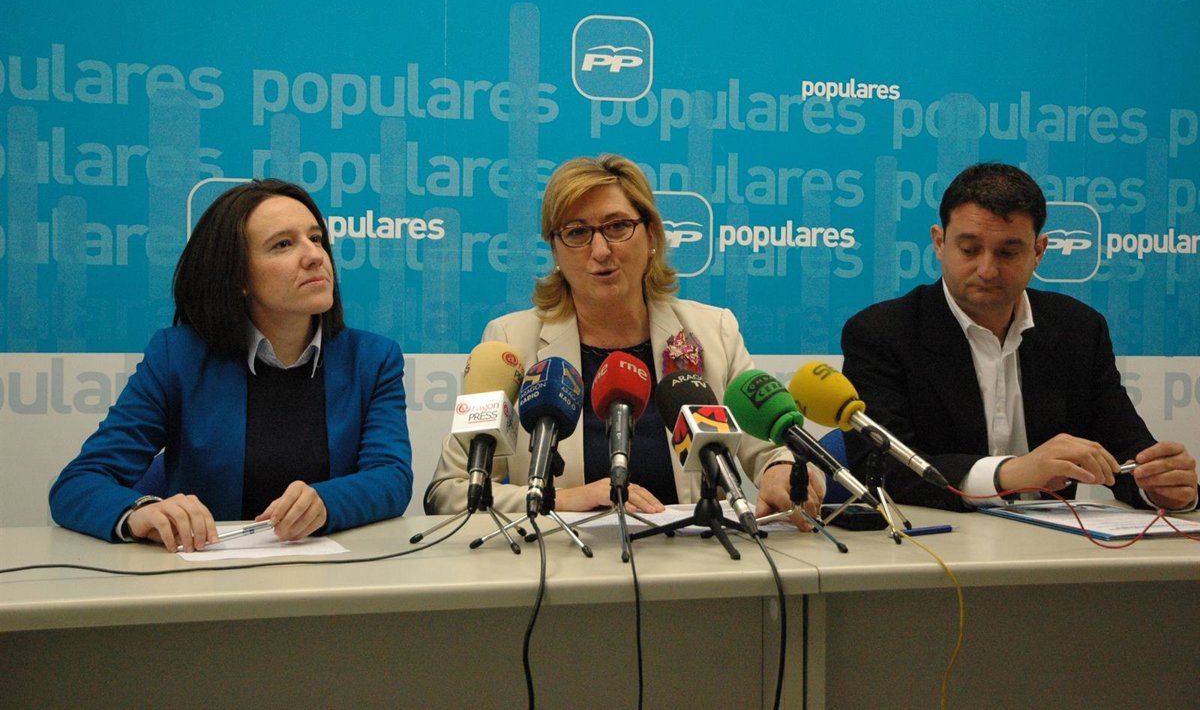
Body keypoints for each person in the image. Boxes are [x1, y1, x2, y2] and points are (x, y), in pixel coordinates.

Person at [424, 154, 824, 527]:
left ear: (651, 236)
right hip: (566, 560)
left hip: (697, 558)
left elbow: (771, 449)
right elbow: (450, 491)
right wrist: (561, 499)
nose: (600, 251)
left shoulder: (712, 332)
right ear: (555, 250)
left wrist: (781, 471)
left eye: (617, 227)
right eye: (577, 233)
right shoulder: (512, 343)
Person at [49, 179, 413, 551]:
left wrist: (327, 503)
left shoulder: (373, 359)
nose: (314, 256)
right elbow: (79, 482)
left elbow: (391, 477)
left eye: (316, 238)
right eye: (283, 244)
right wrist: (139, 512)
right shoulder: (178, 357)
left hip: (332, 573)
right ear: (238, 277)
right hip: (206, 574)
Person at [840, 162, 1198, 512]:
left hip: (1053, 545)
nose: (987, 270)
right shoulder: (882, 333)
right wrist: (1010, 474)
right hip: (938, 540)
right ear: (939, 242)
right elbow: (880, 465)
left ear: (1038, 252)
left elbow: (1125, 449)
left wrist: (1159, 486)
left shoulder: (1078, 330)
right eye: (969, 250)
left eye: (1007, 252)